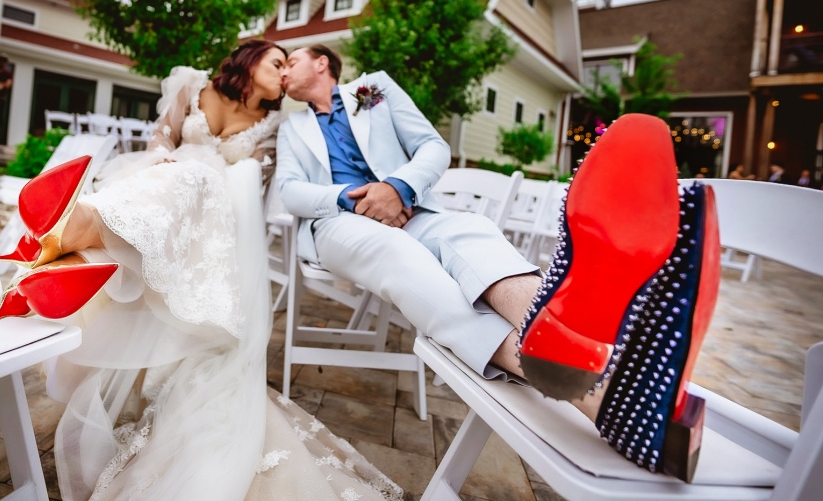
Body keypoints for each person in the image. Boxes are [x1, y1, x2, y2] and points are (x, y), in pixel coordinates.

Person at [0, 40, 403, 501]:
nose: (283, 74)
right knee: (170, 184)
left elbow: (256, 176)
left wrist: (217, 166)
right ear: (250, 58)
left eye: (287, 68)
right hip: (156, 180)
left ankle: (70, 239)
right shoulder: (191, 84)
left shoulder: (278, 125)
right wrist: (166, 157)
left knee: (197, 180)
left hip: (211, 210)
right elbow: (162, 135)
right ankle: (74, 247)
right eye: (277, 62)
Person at [276, 44, 719, 482]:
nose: (282, 73)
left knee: (474, 233)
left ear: (322, 63)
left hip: (413, 209)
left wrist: (397, 186)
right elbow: (290, 191)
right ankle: (607, 390)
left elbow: (432, 147)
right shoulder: (292, 126)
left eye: (289, 62)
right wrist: (349, 199)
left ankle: (588, 370)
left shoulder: (374, 88)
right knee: (403, 258)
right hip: (338, 224)